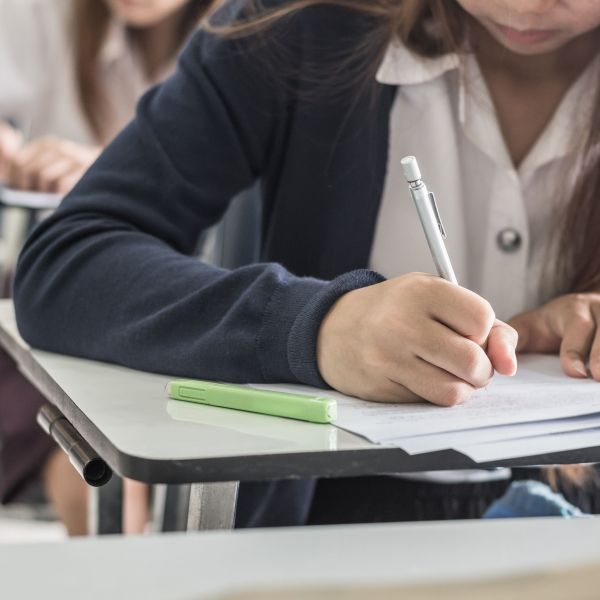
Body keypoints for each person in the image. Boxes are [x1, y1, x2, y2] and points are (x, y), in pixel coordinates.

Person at [12, 0, 600, 526]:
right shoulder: (295, 24)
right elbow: (67, 262)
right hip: (309, 523)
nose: (526, 5)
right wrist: (316, 327)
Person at [0, 0, 212, 535]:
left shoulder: (253, 34)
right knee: (96, 470)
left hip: (183, 297)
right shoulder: (43, 16)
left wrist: (112, 171)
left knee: (107, 466)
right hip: (44, 295)